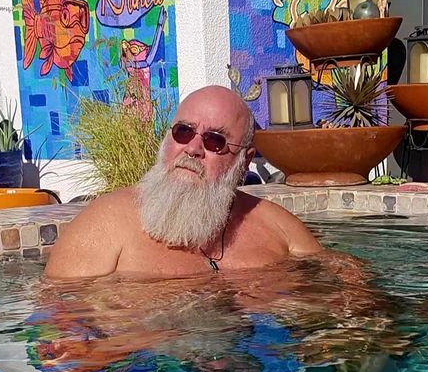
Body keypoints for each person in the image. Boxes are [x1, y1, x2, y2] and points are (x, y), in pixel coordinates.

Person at [44, 85, 323, 280]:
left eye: (215, 140)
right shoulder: (101, 228)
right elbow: (63, 337)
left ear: (245, 160)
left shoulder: (280, 230)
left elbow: (340, 300)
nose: (193, 148)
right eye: (183, 131)